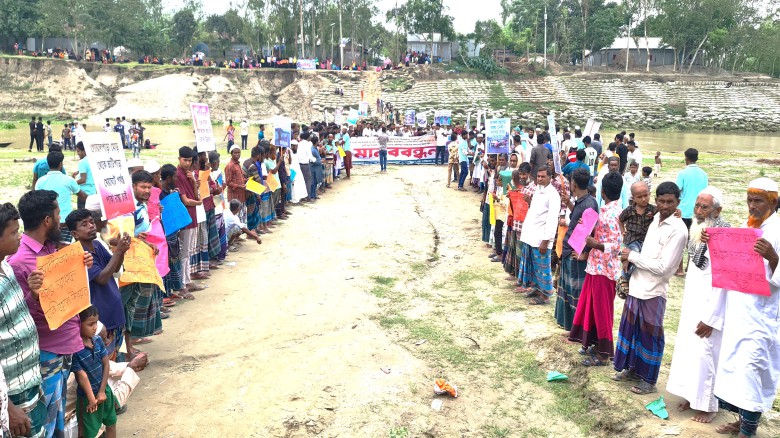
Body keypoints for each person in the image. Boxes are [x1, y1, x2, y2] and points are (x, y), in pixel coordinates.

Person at [9, 190, 94, 438]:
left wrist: (81, 262)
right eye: (58, 213)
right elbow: (14, 315)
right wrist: (34, 295)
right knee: (46, 421)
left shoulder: (54, 248)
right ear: (48, 220)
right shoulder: (20, 261)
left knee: (57, 416)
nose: (61, 218)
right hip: (47, 350)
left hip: (65, 344)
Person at [711, 178, 780, 438]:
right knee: (737, 369)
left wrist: (773, 257)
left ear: (773, 202)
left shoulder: (778, 230)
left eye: (758, 200)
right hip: (739, 309)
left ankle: (748, 430)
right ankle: (741, 421)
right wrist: (713, 240)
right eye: (749, 200)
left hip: (762, 314)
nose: (752, 206)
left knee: (753, 369)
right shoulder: (746, 225)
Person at [613, 182, 688, 394]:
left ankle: (649, 379)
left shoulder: (678, 230)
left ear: (677, 203)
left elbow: (665, 268)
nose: (665, 205)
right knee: (632, 331)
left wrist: (633, 256)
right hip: (637, 284)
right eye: (662, 201)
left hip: (654, 291)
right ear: (656, 201)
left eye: (670, 202)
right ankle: (631, 369)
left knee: (650, 336)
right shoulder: (654, 217)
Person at [666, 186, 729, 424]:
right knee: (690, 350)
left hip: (711, 306)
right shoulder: (698, 227)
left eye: (705, 207)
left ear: (717, 210)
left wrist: (713, 317)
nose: (699, 211)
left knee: (707, 354)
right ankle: (694, 398)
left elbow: (724, 281)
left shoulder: (724, 233)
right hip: (693, 301)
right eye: (697, 206)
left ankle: (709, 405)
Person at [0, 202, 47, 438]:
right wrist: (8, 407)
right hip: (11, 391)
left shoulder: (6, 268)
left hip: (27, 379)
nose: (19, 237)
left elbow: (16, 316)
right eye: (13, 233)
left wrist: (32, 294)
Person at [569, 172, 624, 366]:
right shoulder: (607, 210)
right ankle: (594, 343)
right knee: (592, 307)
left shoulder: (612, 214)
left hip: (605, 269)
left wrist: (595, 244)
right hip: (596, 266)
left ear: (602, 191)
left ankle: (604, 353)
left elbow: (617, 246)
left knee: (602, 311)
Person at [66, 208, 131, 357]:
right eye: (84, 224)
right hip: (101, 317)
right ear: (74, 234)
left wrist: (122, 250)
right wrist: (119, 251)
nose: (91, 225)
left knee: (115, 356)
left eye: (91, 221)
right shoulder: (79, 254)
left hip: (114, 311)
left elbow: (114, 269)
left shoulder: (97, 244)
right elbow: (101, 278)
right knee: (107, 361)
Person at [554, 168, 598, 333]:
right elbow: (581, 221)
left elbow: (591, 231)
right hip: (569, 250)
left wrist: (584, 253)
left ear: (573, 184)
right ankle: (570, 326)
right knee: (568, 290)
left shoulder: (589, 204)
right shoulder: (585, 201)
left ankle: (577, 329)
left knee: (575, 293)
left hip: (575, 254)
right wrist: (570, 204)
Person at [71, 306, 118, 438]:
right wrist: (92, 398)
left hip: (104, 391)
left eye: (96, 322)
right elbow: (82, 376)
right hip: (87, 398)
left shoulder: (97, 341)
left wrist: (103, 390)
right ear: (78, 325)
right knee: (87, 432)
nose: (95, 327)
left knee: (111, 422)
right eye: (90, 324)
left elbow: (106, 363)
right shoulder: (74, 349)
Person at [517, 166, 560, 305]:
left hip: (541, 238)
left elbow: (552, 219)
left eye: (543, 177)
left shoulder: (553, 194)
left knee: (543, 268)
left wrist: (545, 241)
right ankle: (536, 289)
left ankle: (545, 295)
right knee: (534, 266)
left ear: (550, 178)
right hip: (531, 235)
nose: (540, 179)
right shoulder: (538, 189)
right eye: (539, 176)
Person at [34, 150, 87, 243]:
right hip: (65, 223)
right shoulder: (68, 180)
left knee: (50, 250)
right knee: (64, 249)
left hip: (48, 223)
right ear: (60, 164)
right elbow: (83, 196)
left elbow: (37, 202)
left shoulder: (40, 181)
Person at [617, 182, 657, 297]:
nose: (644, 199)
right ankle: (624, 278)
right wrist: (622, 230)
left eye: (646, 195)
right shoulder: (629, 210)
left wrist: (677, 213)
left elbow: (666, 215)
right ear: (633, 198)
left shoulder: (653, 210)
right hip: (632, 240)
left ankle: (625, 275)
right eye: (639, 197)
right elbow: (620, 219)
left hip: (646, 241)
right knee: (635, 255)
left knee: (640, 260)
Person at [174, 146, 204, 293]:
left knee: (189, 250)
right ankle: (183, 284)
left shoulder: (189, 173)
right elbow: (186, 200)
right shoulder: (178, 175)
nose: (187, 163)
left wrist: (193, 181)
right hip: (184, 218)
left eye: (189, 161)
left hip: (192, 216)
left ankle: (187, 281)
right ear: (179, 159)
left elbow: (197, 195)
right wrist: (198, 203)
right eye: (185, 160)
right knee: (184, 252)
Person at [676, 148, 708, 275]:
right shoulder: (703, 174)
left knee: (680, 241)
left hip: (684, 211)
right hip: (699, 212)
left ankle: (679, 269)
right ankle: (690, 267)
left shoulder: (683, 173)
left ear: (686, 158)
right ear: (697, 158)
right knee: (694, 240)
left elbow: (677, 190)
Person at [73, 142, 96, 210]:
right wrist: (78, 171)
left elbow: (83, 179)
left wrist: (73, 183)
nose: (77, 153)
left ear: (84, 150)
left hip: (84, 193)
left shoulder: (82, 162)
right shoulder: (92, 159)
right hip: (93, 191)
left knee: (82, 217)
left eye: (78, 151)